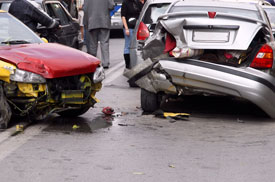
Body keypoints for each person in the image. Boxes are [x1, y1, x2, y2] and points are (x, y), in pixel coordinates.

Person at [84, 0, 115, 69]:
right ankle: (105, 63)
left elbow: (85, 8)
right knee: (104, 43)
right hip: (104, 21)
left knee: (93, 44)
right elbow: (112, 6)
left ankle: (94, 62)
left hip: (92, 22)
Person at [121, 0, 145, 69]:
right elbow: (123, 16)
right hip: (129, 28)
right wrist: (126, 28)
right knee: (128, 45)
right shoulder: (125, 2)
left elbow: (142, 13)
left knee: (138, 46)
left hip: (137, 27)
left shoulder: (137, 2)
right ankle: (128, 65)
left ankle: (136, 63)